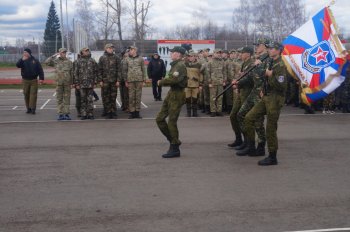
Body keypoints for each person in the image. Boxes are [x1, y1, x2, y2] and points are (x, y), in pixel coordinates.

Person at [244, 41, 287, 166]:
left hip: (275, 99)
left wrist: (271, 75)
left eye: (272, 48)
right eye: (269, 48)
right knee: (249, 117)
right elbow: (264, 78)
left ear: (278, 50)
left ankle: (272, 157)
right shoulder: (271, 62)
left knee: (270, 128)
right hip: (266, 96)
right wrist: (263, 88)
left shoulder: (280, 65)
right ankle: (252, 146)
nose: (269, 50)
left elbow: (281, 85)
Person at [235, 38, 270, 157]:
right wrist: (239, 82)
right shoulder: (259, 59)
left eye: (258, 45)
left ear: (265, 46)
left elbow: (268, 75)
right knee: (240, 115)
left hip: (261, 93)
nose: (256, 47)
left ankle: (260, 146)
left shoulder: (268, 59)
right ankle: (249, 143)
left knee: (258, 122)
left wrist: (259, 66)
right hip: (254, 92)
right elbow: (251, 76)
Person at [156, 46, 187, 158]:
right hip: (171, 94)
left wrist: (161, 82)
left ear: (178, 54)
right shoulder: (175, 65)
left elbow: (175, 80)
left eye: (173, 52)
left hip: (177, 95)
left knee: (172, 122)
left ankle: (174, 148)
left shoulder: (180, 65)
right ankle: (174, 140)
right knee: (159, 119)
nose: (171, 54)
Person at [229, 47, 255, 149]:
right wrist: (237, 82)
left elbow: (249, 79)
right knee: (233, 115)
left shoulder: (251, 64)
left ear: (248, 54)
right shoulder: (244, 63)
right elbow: (242, 76)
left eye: (242, 53)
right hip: (241, 93)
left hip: (248, 93)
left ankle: (247, 141)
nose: (240, 54)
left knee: (242, 117)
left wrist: (238, 83)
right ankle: (239, 138)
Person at [45, 48, 73, 120]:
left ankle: (66, 114)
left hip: (67, 83)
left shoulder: (69, 62)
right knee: (59, 99)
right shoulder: (55, 61)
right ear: (59, 53)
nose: (64, 53)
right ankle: (60, 114)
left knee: (67, 99)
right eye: (62, 52)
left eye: (65, 52)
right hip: (59, 83)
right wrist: (53, 56)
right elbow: (46, 62)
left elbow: (72, 73)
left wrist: (72, 83)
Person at [16, 48, 44, 114]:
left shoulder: (35, 60)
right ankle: (28, 108)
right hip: (25, 80)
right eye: (24, 52)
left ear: (29, 53)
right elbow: (17, 65)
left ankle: (33, 108)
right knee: (26, 94)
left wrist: (41, 78)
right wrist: (21, 60)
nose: (24, 53)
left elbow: (40, 70)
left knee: (33, 94)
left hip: (33, 80)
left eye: (26, 52)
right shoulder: (22, 60)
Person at [73, 47, 98, 120]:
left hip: (90, 84)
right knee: (83, 100)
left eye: (88, 51)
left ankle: (90, 114)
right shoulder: (78, 61)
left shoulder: (92, 61)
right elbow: (75, 73)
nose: (87, 52)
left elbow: (96, 71)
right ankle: (84, 114)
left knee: (90, 100)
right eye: (85, 51)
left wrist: (95, 82)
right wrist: (76, 84)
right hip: (81, 84)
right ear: (82, 52)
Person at [98, 43, 121, 119]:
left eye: (112, 48)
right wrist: (100, 80)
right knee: (106, 97)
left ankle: (113, 111)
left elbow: (119, 70)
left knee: (113, 97)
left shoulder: (116, 58)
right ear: (106, 49)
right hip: (105, 81)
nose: (111, 49)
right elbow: (99, 70)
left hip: (114, 81)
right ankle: (107, 111)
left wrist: (118, 80)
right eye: (109, 48)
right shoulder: (102, 58)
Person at [125, 46, 146, 119]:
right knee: (131, 97)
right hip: (130, 80)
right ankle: (132, 112)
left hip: (139, 80)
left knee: (138, 96)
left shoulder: (140, 59)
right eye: (130, 50)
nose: (130, 51)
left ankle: (137, 112)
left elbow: (143, 69)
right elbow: (125, 70)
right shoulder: (127, 59)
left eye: (131, 49)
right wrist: (126, 80)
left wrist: (144, 80)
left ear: (135, 50)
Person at [208, 49, 227, 116]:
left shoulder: (222, 62)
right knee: (213, 97)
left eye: (220, 53)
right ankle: (213, 111)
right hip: (213, 82)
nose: (219, 54)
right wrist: (209, 82)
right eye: (217, 53)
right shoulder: (210, 62)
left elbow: (224, 72)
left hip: (220, 82)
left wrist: (224, 81)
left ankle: (219, 110)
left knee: (220, 97)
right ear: (214, 53)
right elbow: (208, 73)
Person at [185, 51, 203, 117]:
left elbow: (201, 75)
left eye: (192, 56)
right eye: (189, 56)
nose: (190, 58)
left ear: (195, 57)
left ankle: (195, 113)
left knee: (195, 99)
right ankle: (188, 113)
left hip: (195, 85)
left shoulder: (198, 65)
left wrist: (200, 84)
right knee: (188, 99)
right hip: (187, 85)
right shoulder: (185, 64)